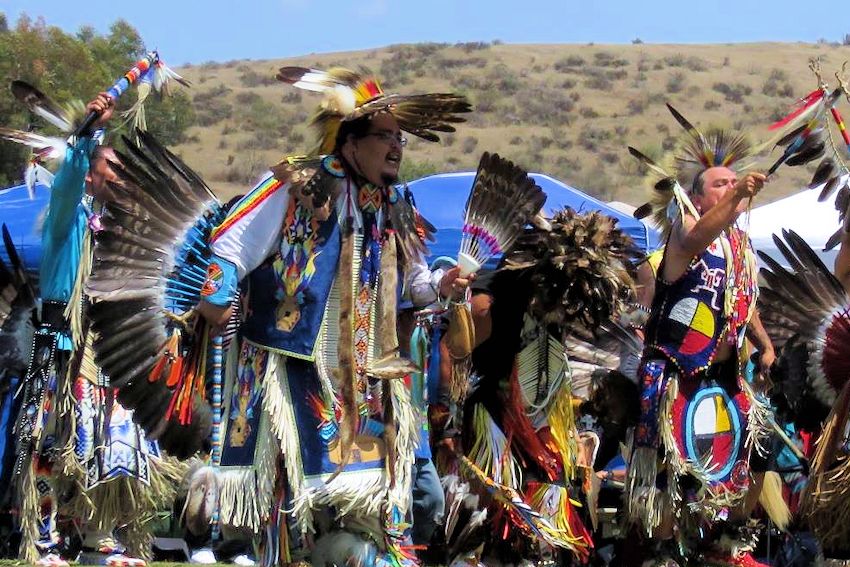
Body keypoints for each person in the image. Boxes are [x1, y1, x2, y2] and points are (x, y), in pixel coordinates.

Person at [195, 67, 470, 566]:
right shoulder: (301, 181)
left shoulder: (397, 204)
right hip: (293, 362)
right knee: (284, 495)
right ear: (350, 141)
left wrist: (444, 288)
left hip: (366, 374)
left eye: (399, 138)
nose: (396, 148)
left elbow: (417, 285)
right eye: (384, 136)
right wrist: (216, 294)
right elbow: (233, 238)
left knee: (365, 502)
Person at [10, 94, 181, 566]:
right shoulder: (68, 222)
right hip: (63, 345)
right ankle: (43, 541)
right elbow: (65, 186)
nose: (122, 178)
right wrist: (85, 138)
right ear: (89, 174)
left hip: (110, 352)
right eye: (114, 170)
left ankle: (98, 539)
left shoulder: (123, 230)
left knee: (114, 441)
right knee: (52, 442)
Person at [626, 106, 775, 567]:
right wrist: (739, 199)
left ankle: (723, 546)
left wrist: (765, 344)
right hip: (676, 376)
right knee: (672, 474)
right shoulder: (682, 236)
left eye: (735, 182)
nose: (731, 188)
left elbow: (740, 302)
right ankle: (664, 553)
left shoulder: (738, 245)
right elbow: (694, 242)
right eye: (721, 184)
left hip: (724, 377)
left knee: (751, 455)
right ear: (695, 196)